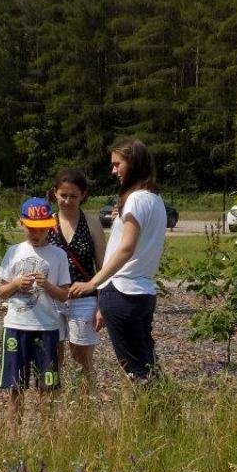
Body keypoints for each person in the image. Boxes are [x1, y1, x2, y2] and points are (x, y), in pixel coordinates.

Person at [68, 139, 166, 382]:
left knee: (136, 371)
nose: (113, 170)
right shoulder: (155, 199)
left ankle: (149, 415)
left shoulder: (135, 199)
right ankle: (163, 414)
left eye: (117, 164)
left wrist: (94, 283)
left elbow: (126, 248)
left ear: (132, 163)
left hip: (123, 290)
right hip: (143, 292)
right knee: (148, 365)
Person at [0, 198, 71, 411]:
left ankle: (46, 435)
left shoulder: (58, 255)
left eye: (41, 229)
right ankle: (13, 434)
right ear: (22, 224)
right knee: (15, 385)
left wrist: (46, 284)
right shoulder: (14, 252)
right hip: (16, 326)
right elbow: (1, 292)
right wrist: (17, 283)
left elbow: (64, 295)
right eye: (31, 229)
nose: (36, 234)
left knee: (47, 385)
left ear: (50, 227)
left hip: (47, 328)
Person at [46, 169, 106, 384]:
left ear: (83, 195)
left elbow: (103, 266)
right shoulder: (46, 223)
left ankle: (86, 406)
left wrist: (102, 304)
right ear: (55, 194)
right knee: (52, 357)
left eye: (73, 196)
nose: (68, 201)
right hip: (52, 297)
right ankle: (51, 404)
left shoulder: (91, 223)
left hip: (84, 298)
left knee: (81, 356)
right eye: (63, 195)